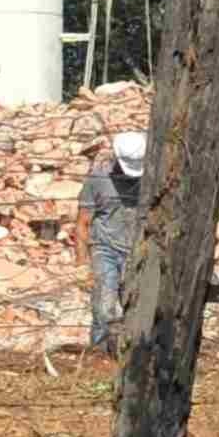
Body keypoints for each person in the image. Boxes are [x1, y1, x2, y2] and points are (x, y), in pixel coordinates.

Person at [76, 131, 146, 352]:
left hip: (137, 251)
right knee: (104, 306)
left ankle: (129, 353)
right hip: (104, 249)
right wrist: (81, 262)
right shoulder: (97, 180)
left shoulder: (151, 179)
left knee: (134, 306)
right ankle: (100, 351)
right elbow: (83, 222)